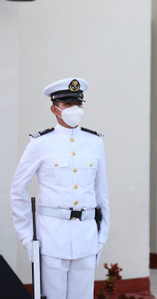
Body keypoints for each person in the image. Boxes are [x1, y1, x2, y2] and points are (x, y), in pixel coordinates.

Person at [11, 77, 110, 299]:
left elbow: (101, 193)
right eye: (68, 104)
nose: (74, 109)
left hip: (86, 237)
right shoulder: (40, 143)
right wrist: (28, 237)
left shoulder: (94, 142)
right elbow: (18, 190)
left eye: (78, 103)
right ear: (54, 108)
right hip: (51, 238)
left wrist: (101, 236)